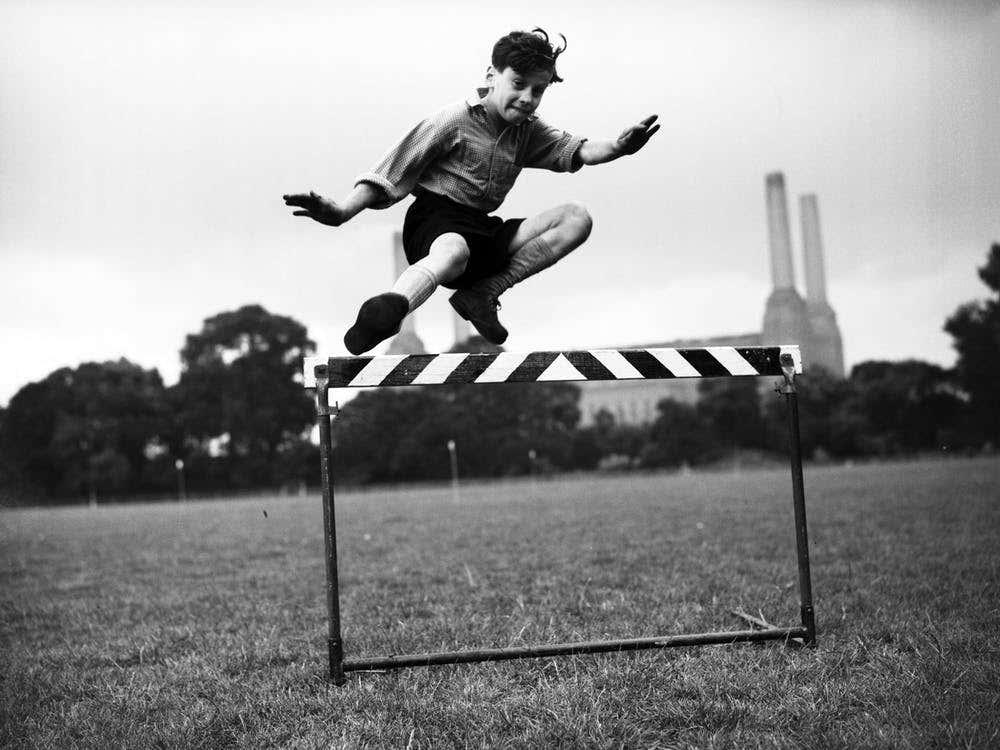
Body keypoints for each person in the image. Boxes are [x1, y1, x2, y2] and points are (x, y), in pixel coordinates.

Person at [284, 28, 659, 355]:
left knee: (577, 217)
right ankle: (392, 308)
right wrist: (341, 212)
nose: (527, 97)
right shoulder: (454, 120)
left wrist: (619, 147)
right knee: (454, 248)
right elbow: (391, 170)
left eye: (538, 91)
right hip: (434, 223)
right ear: (491, 76)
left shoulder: (528, 130)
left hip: (482, 230)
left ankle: (482, 293)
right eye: (518, 84)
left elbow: (578, 149)